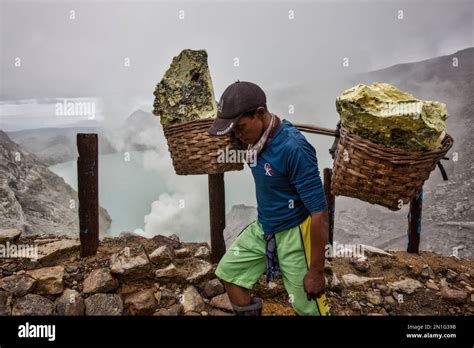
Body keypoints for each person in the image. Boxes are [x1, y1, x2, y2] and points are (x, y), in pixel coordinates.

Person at [208, 80, 330, 316]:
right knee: (229, 272)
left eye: (240, 127)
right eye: (233, 130)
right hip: (265, 227)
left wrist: (316, 271)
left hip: (295, 232)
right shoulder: (254, 141)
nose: (237, 135)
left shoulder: (293, 148)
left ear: (260, 113)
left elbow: (320, 213)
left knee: (308, 308)